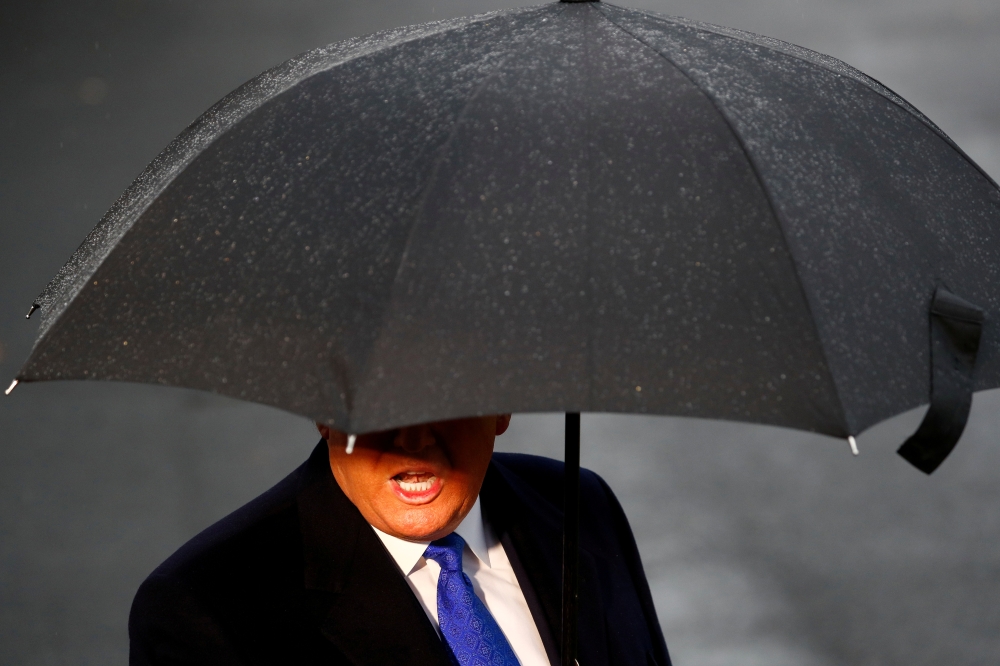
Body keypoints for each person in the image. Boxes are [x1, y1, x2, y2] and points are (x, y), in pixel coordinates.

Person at [129, 415, 670, 666]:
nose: (413, 438)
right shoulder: (205, 607)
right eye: (382, 406)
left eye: (446, 396)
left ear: (502, 405)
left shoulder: (578, 505)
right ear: (324, 412)